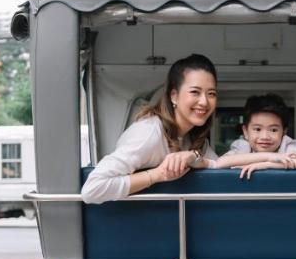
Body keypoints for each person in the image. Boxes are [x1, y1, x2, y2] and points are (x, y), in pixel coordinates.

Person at [81, 54, 219, 204]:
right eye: (195, 92)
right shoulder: (149, 132)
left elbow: (219, 165)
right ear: (174, 96)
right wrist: (157, 175)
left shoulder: (194, 139)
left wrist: (194, 156)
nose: (204, 101)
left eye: (211, 94)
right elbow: (92, 189)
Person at [212, 93, 296, 178]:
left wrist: (269, 164)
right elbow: (221, 162)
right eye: (257, 129)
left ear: (283, 132)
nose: (264, 136)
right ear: (245, 132)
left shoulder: (287, 146)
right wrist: (270, 157)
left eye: (273, 130)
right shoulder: (243, 146)